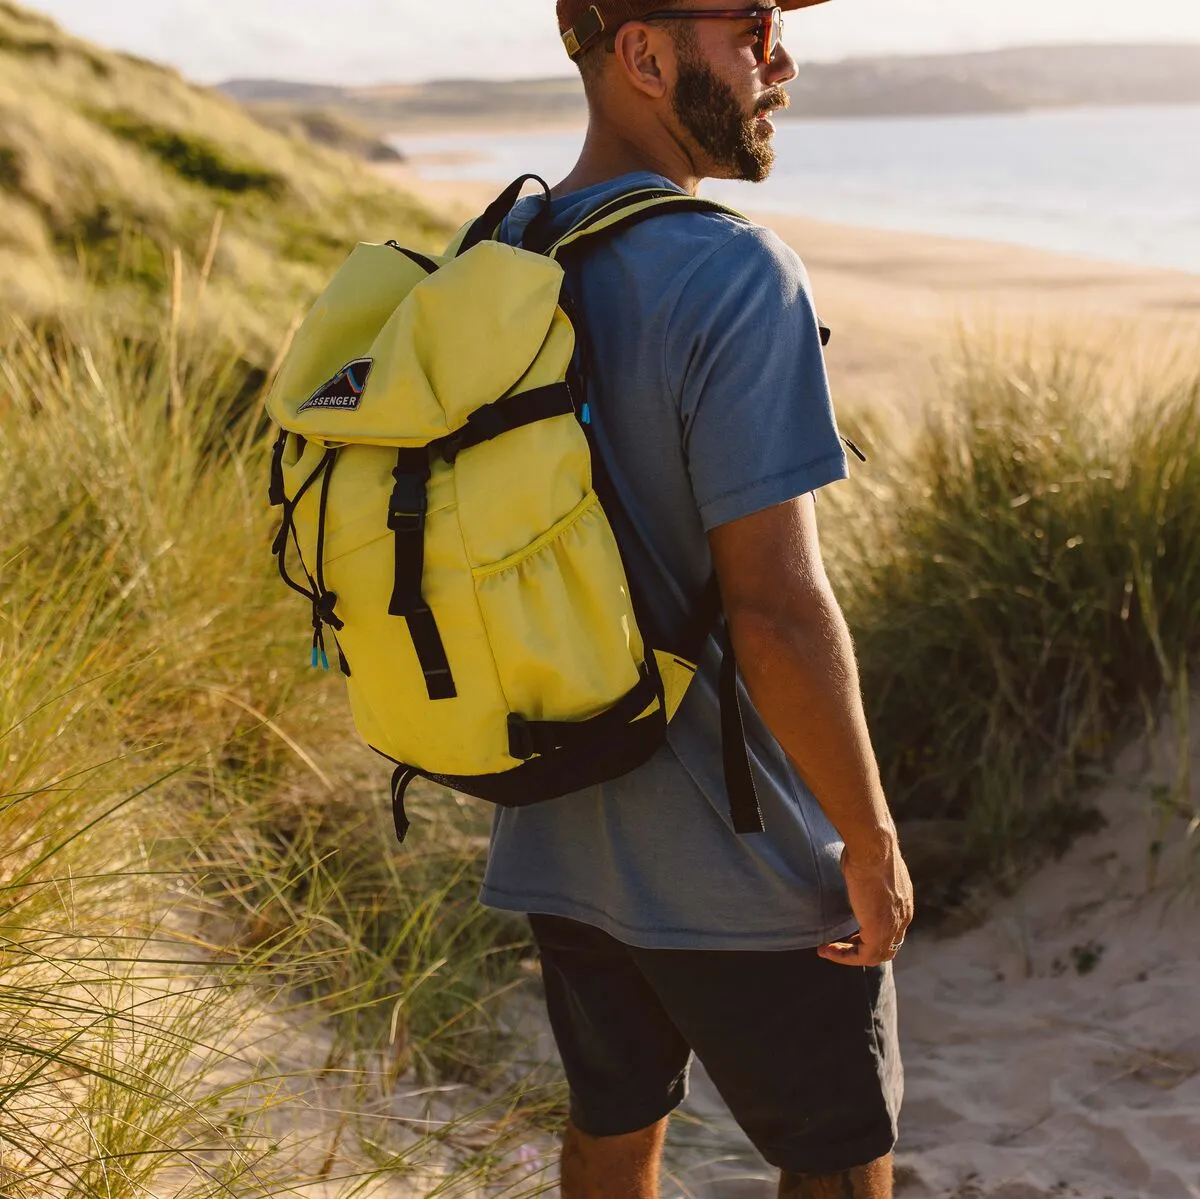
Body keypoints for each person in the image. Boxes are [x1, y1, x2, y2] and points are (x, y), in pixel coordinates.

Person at [483, 3, 915, 1195]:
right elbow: (777, 609)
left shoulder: (506, 250)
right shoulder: (735, 269)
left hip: (558, 827)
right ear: (644, 55)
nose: (779, 61)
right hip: (743, 858)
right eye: (751, 27)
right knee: (839, 1157)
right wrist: (870, 842)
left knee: (611, 1130)